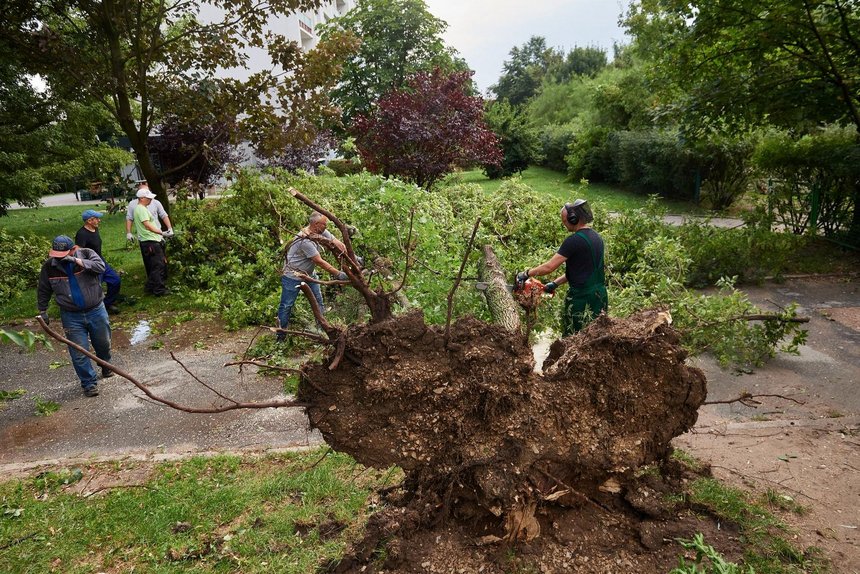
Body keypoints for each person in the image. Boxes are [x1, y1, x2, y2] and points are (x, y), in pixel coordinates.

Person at [516, 199, 608, 335]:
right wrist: (554, 284)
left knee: (575, 338)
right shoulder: (596, 237)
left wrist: (526, 273)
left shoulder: (573, 241)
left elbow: (549, 267)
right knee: (596, 337)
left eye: (565, 221)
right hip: (600, 296)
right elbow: (582, 270)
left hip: (582, 300)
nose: (564, 225)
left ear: (573, 219)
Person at [37, 235, 114, 397]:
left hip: (96, 310)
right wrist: (42, 310)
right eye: (57, 255)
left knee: (103, 343)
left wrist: (77, 261)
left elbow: (100, 267)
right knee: (78, 353)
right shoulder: (49, 267)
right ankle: (89, 383)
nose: (59, 259)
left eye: (64, 255)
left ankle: (105, 364)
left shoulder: (87, 254)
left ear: (73, 249)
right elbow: (44, 289)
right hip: (71, 315)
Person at [277, 212, 349, 342]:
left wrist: (342, 247)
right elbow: (319, 261)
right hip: (292, 276)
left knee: (318, 301)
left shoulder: (319, 231)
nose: (326, 227)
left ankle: (322, 330)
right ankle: (280, 337)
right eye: (324, 224)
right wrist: (338, 274)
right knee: (286, 305)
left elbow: (334, 240)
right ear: (316, 225)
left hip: (309, 274)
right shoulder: (304, 239)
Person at [74, 209, 122, 314]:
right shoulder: (82, 234)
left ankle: (108, 303)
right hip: (91, 264)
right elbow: (78, 251)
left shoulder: (95, 229)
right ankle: (95, 309)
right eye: (96, 219)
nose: (99, 220)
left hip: (100, 260)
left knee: (115, 280)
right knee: (96, 287)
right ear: (89, 221)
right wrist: (85, 265)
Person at [132, 188, 172, 296]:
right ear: (142, 198)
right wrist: (162, 233)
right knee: (158, 266)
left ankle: (150, 287)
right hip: (150, 241)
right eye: (148, 198)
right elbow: (148, 225)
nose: (150, 200)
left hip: (152, 240)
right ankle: (159, 290)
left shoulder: (142, 208)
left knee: (156, 265)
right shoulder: (141, 209)